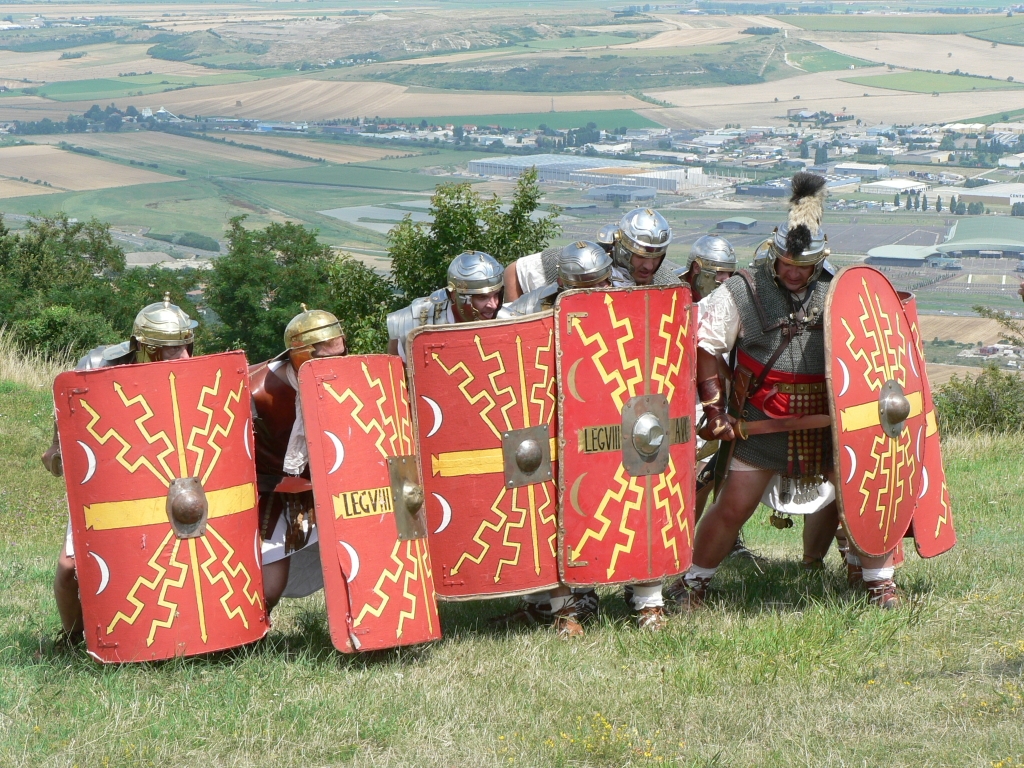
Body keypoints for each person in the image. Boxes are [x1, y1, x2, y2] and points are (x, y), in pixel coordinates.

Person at [667, 172, 901, 611]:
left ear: (819, 262)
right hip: (762, 420)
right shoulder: (744, 290)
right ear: (774, 255)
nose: (793, 273)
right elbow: (707, 344)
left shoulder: (839, 293)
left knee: (862, 496)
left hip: (830, 421)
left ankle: (878, 581)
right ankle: (693, 584)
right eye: (786, 264)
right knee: (734, 506)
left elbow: (872, 350)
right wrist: (715, 410)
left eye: (802, 267)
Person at [501, 242, 670, 631]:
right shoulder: (530, 308)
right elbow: (511, 352)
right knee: (557, 513)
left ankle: (648, 602)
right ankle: (566, 608)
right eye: (584, 287)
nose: (596, 292)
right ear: (562, 284)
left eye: (601, 283)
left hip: (622, 420)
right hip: (558, 424)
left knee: (637, 506)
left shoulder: (633, 299)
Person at [43, 294, 197, 644]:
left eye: (187, 346)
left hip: (176, 483)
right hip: (111, 481)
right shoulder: (98, 366)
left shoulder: (192, 374)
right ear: (144, 348)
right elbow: (67, 416)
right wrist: (59, 449)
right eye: (173, 350)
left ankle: (174, 636)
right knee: (69, 569)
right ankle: (72, 639)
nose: (185, 358)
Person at [249, 306, 348, 614]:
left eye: (341, 355)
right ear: (302, 355)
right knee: (267, 588)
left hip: (335, 486)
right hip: (272, 493)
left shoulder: (348, 381)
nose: (337, 365)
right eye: (327, 358)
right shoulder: (256, 391)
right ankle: (252, 631)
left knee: (359, 563)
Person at [387, 251, 504, 361]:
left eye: (496, 295)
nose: (494, 305)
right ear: (454, 295)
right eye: (482, 297)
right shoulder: (410, 323)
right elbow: (394, 373)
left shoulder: (508, 321)